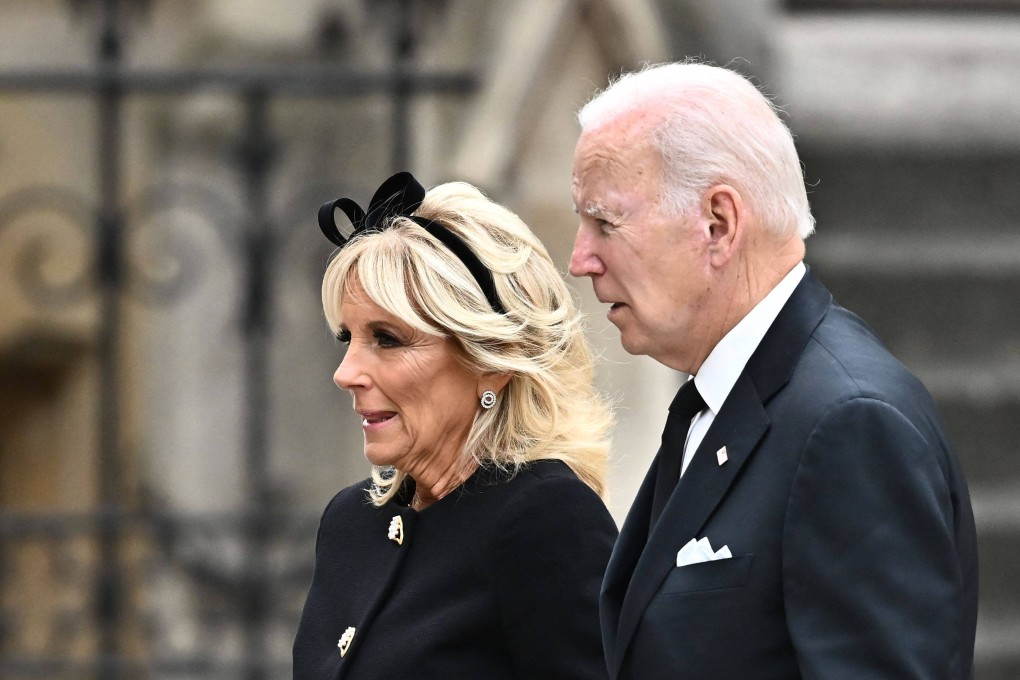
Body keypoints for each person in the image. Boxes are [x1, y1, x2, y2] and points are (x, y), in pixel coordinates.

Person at [568, 62, 978, 679]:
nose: (580, 259)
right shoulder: (726, 393)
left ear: (719, 224)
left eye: (605, 222)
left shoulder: (849, 424)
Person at [292, 171, 618, 680]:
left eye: (388, 339)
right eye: (346, 338)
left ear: (491, 360)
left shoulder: (546, 519)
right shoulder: (350, 523)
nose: (345, 373)